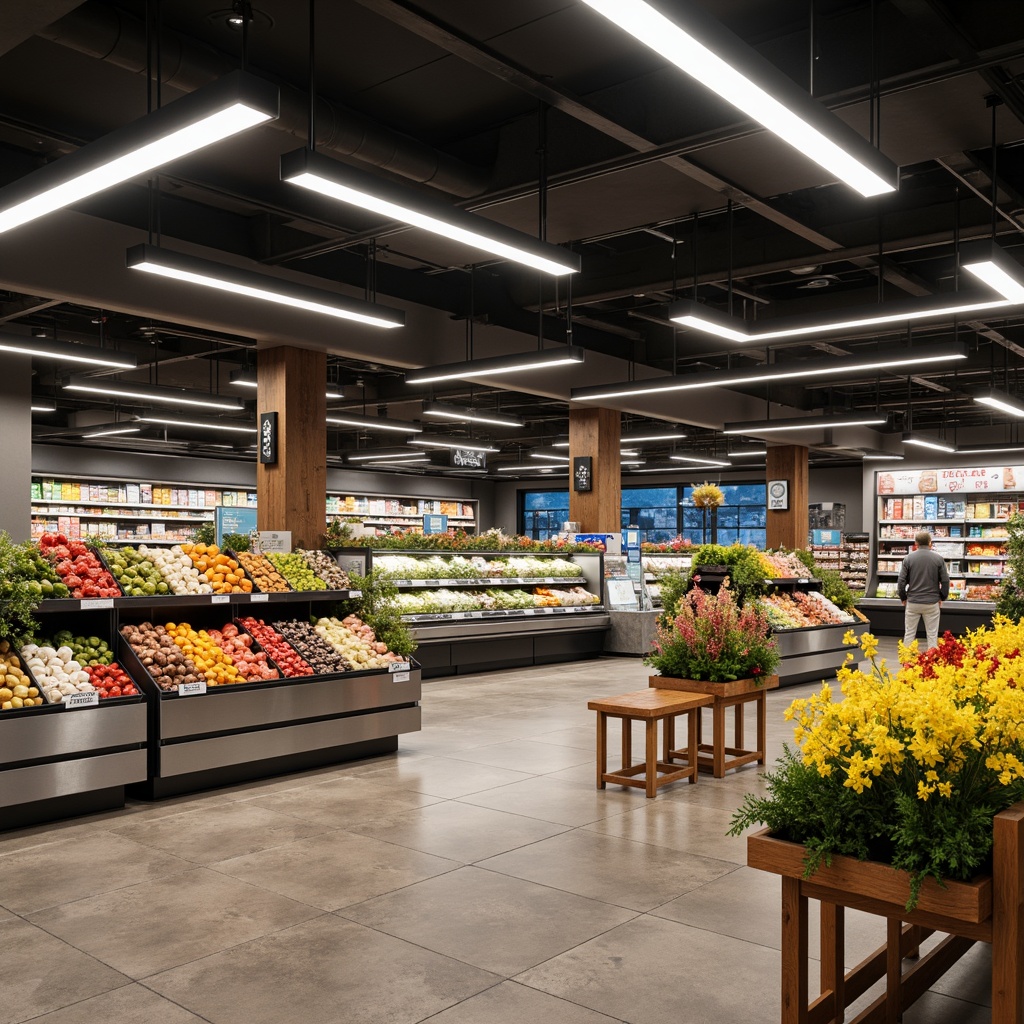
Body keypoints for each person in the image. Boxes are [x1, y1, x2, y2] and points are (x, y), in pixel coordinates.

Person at [897, 530, 950, 651]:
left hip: (913, 602)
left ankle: (906, 662)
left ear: (916, 543)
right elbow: (945, 581)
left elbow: (901, 581)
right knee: (932, 636)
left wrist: (903, 597)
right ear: (930, 543)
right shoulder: (938, 559)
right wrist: (942, 597)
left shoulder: (908, 558)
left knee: (909, 634)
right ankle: (932, 663)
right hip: (931, 603)